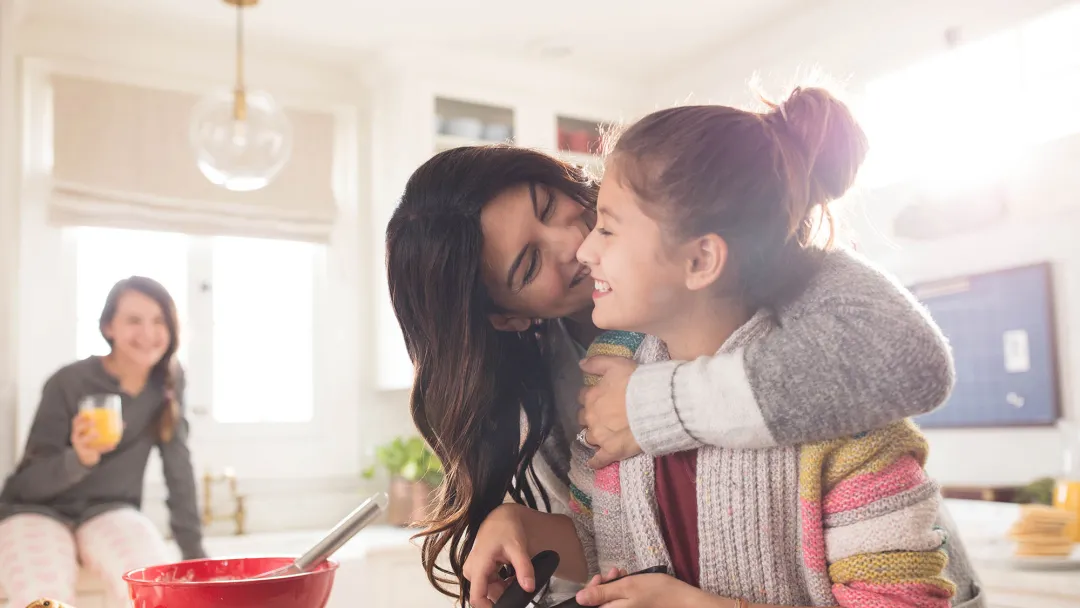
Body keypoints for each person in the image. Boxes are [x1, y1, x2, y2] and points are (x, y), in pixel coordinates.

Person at [385, 135, 968, 605]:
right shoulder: (572, 378)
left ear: (703, 257)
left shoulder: (768, 273)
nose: (577, 239)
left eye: (548, 206)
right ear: (507, 319)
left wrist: (649, 407)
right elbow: (627, 543)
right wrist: (529, 527)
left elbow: (912, 360)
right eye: (531, 263)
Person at [0, 276, 205, 607]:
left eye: (159, 321)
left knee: (156, 590)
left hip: (110, 511)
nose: (148, 333)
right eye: (134, 320)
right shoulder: (69, 382)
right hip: (36, 510)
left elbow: (178, 471)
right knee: (42, 596)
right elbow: (24, 486)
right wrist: (79, 459)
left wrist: (196, 558)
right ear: (108, 326)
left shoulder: (168, 382)